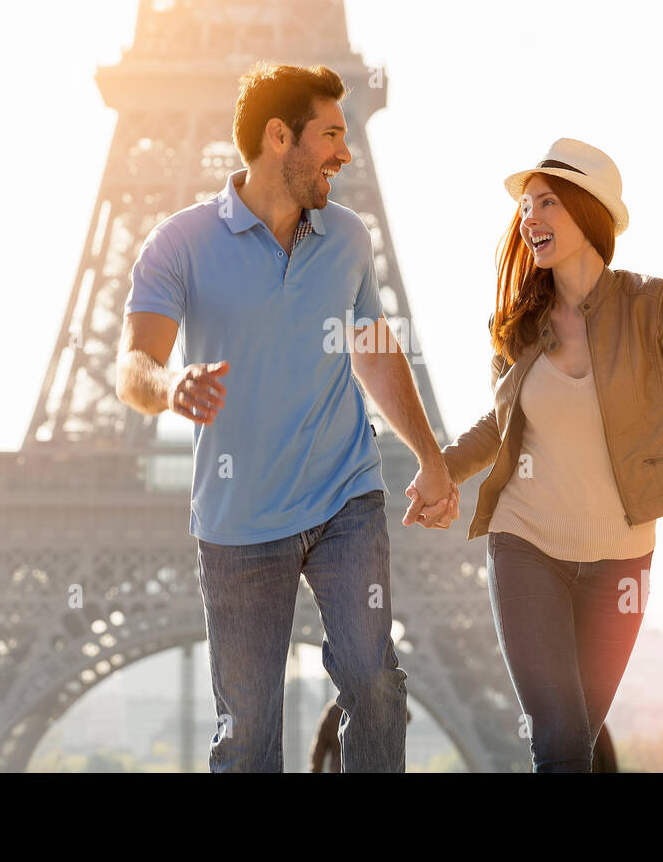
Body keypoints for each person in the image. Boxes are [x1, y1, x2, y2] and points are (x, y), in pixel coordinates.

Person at [116, 62, 455, 772]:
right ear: (279, 137)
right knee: (247, 736)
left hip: (343, 496)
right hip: (241, 520)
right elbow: (133, 366)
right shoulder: (179, 244)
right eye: (331, 134)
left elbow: (375, 352)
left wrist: (430, 455)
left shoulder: (348, 239)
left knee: (374, 680)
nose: (345, 152)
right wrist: (169, 385)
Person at [406, 138, 663, 772]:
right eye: (526, 206)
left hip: (620, 564)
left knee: (575, 749)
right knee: (561, 741)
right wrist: (441, 470)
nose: (529, 218)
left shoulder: (652, 303)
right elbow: (500, 424)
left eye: (547, 203)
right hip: (527, 545)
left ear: (588, 211)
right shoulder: (518, 322)